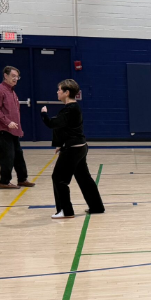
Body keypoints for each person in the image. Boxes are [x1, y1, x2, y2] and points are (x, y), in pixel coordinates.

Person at [41, 79, 105, 220]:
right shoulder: (72, 108)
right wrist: (60, 144)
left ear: (66, 92)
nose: (57, 92)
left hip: (73, 150)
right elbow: (65, 128)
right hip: (80, 147)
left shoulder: (70, 109)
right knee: (84, 178)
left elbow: (53, 124)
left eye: (59, 90)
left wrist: (43, 114)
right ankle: (97, 206)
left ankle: (66, 210)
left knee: (59, 178)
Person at [0, 66, 35, 190]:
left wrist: (18, 128)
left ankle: (22, 179)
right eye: (13, 76)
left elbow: (15, 112)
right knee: (7, 155)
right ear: (5, 75)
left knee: (18, 154)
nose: (16, 79)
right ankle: (4, 181)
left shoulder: (12, 91)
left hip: (12, 129)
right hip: (3, 129)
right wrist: (7, 122)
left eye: (17, 77)